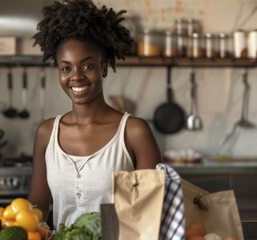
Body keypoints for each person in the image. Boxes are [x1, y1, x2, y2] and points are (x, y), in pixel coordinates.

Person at [28, 0, 162, 229]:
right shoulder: (46, 132)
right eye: (66, 68)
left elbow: (151, 212)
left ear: (105, 67)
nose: (76, 76)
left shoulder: (134, 132)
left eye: (88, 66)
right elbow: (38, 206)